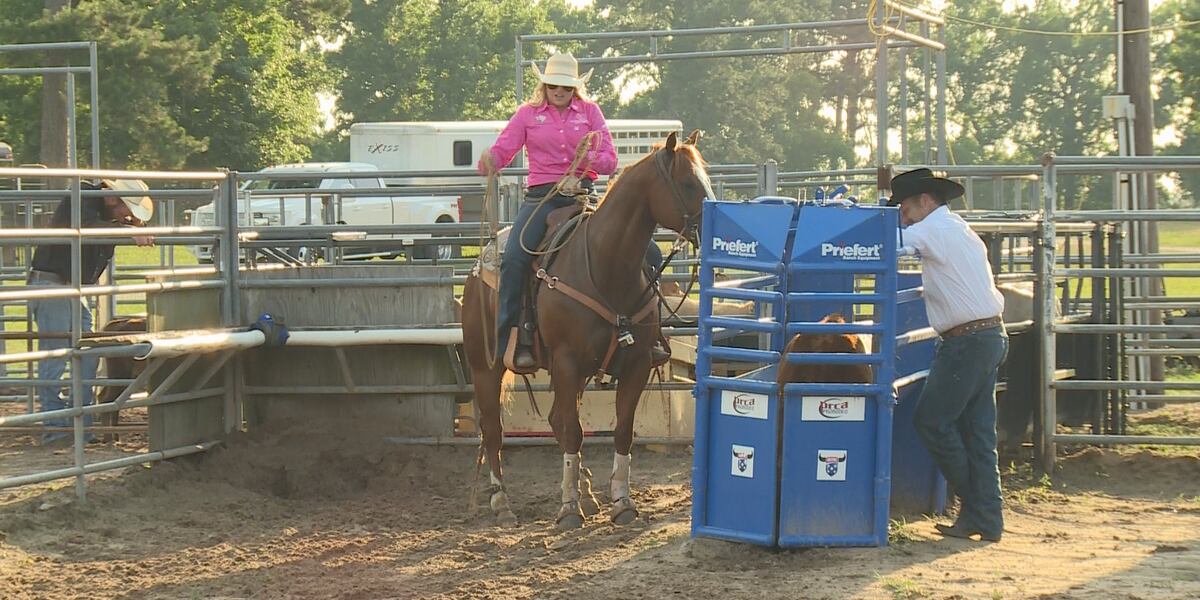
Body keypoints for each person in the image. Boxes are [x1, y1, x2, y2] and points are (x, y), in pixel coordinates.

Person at [478, 52, 667, 369]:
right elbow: (504, 149)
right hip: (542, 198)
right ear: (545, 85)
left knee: (650, 253)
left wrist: (585, 164)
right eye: (554, 85)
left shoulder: (590, 113)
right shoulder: (528, 115)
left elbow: (610, 161)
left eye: (565, 86)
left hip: (584, 196)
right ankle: (514, 338)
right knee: (513, 258)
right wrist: (489, 162)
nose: (559, 91)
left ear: (575, 88)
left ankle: (651, 334)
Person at [890, 168, 1008, 542]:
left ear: (925, 201)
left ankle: (978, 508)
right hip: (988, 334)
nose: (903, 216)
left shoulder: (929, 230)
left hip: (965, 342)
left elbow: (888, 245)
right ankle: (987, 518)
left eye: (906, 208)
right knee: (977, 432)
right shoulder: (956, 227)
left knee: (932, 421)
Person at [28, 179, 154, 444]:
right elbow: (87, 226)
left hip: (71, 288)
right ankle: (57, 429)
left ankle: (81, 426)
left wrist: (126, 226)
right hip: (53, 284)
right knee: (57, 357)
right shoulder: (82, 196)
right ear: (112, 199)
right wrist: (124, 230)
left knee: (86, 356)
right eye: (126, 210)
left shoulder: (102, 213)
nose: (127, 216)